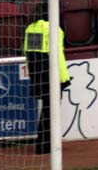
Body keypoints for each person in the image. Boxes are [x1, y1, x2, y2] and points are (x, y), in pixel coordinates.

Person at [23, 17, 71, 155]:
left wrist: (35, 79)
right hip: (52, 74)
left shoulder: (32, 28)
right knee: (51, 111)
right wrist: (63, 78)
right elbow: (58, 57)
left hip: (38, 75)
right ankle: (46, 145)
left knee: (47, 110)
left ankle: (42, 144)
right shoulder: (54, 29)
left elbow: (31, 55)